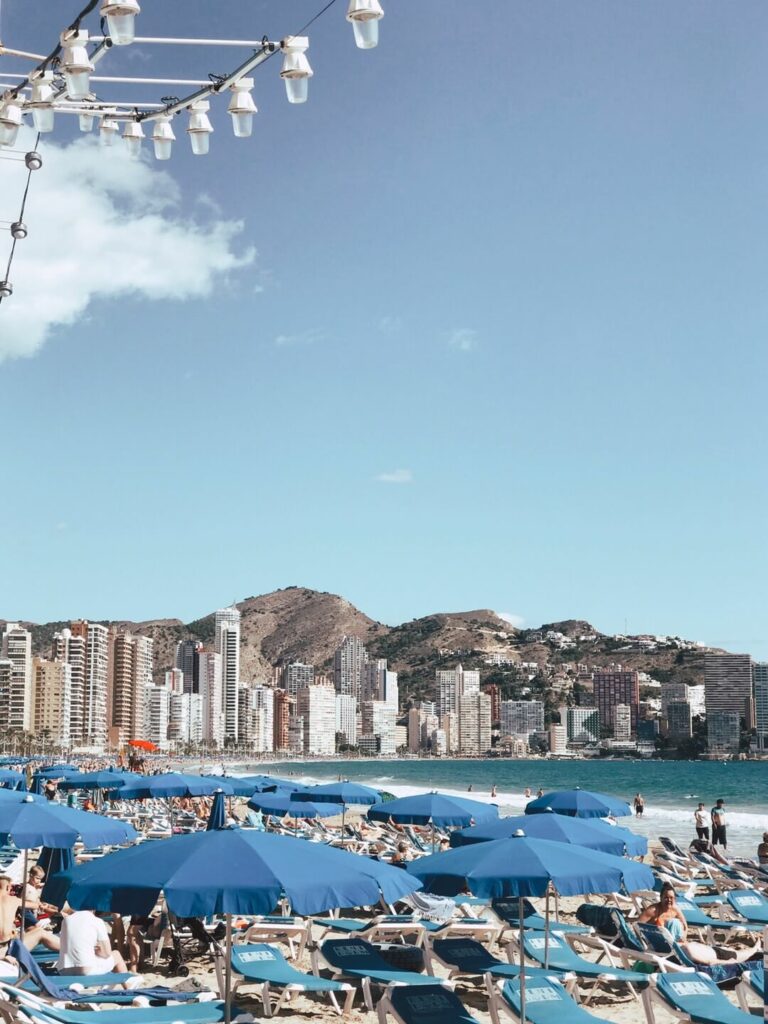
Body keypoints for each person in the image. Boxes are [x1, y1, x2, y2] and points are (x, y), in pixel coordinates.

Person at [638, 883, 760, 965]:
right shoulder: (653, 910)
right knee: (721, 953)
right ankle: (753, 951)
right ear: (660, 897)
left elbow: (684, 925)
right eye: (666, 897)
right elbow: (638, 926)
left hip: (676, 946)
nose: (669, 900)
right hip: (672, 948)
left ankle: (753, 951)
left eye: (672, 898)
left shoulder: (674, 908)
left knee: (721, 950)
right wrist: (646, 944)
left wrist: (683, 937)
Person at [58, 909, 128, 975]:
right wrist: (97, 951)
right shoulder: (97, 921)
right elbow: (107, 954)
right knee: (117, 954)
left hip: (64, 970)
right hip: (86, 969)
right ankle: (130, 986)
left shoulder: (66, 920)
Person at [0, 876, 59, 954]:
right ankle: (70, 948)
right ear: (8, 887)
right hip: (6, 949)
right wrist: (44, 905)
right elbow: (35, 905)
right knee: (40, 932)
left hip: (6, 946)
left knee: (29, 930)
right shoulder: (13, 900)